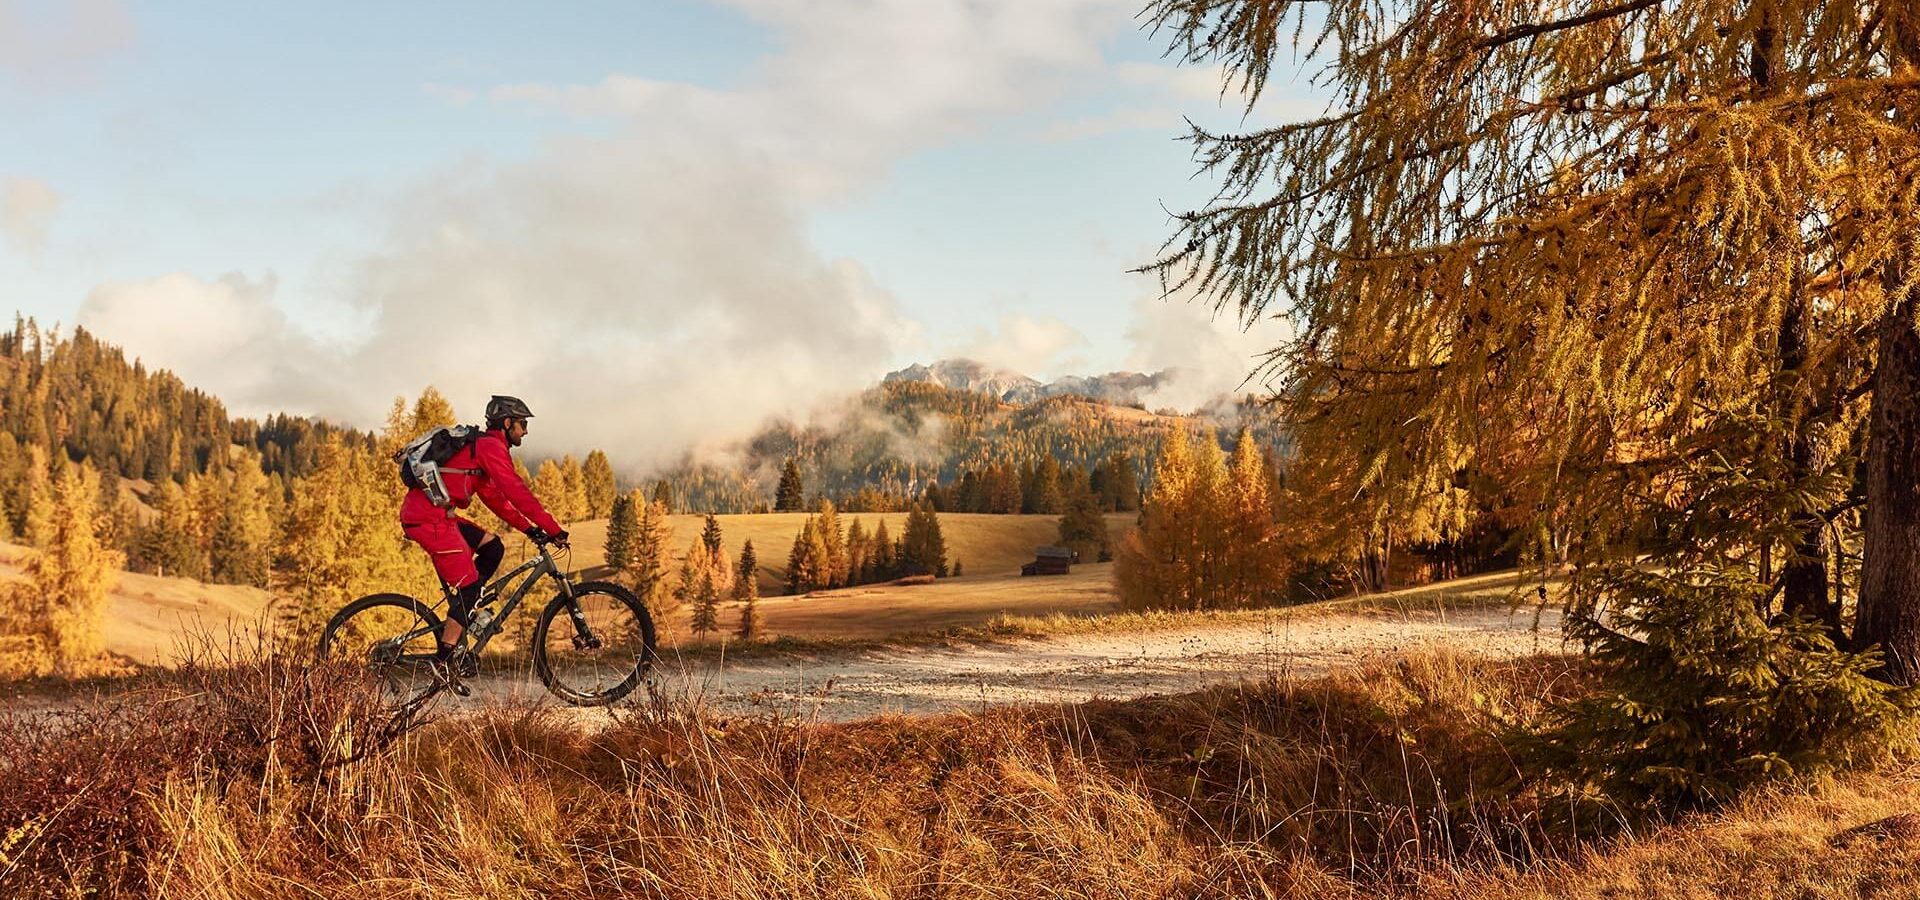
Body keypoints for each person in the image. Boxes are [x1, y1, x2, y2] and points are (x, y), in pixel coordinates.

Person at [398, 394, 569, 677]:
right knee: (470, 585)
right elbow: (516, 491)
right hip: (428, 519)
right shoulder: (490, 447)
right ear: (506, 423)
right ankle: (444, 661)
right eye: (522, 424)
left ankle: (466, 610)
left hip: (438, 516)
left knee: (493, 548)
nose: (525, 431)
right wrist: (553, 528)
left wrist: (529, 528)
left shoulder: (484, 448)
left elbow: (496, 498)